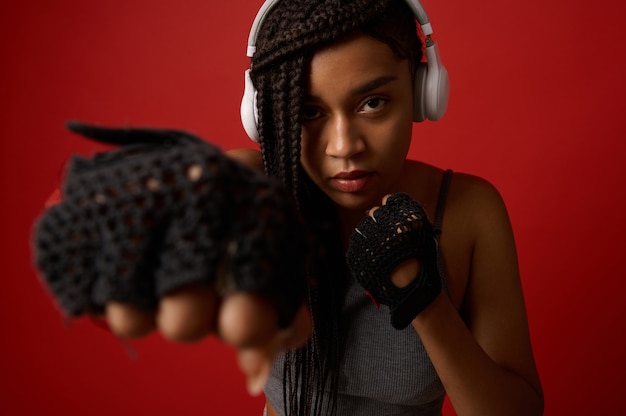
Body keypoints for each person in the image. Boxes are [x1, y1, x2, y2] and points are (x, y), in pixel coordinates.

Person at [34, 0, 543, 415]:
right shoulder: (258, 190)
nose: (344, 145)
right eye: (308, 112)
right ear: (266, 114)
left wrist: (425, 302)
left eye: (373, 103)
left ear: (420, 91)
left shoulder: (468, 212)